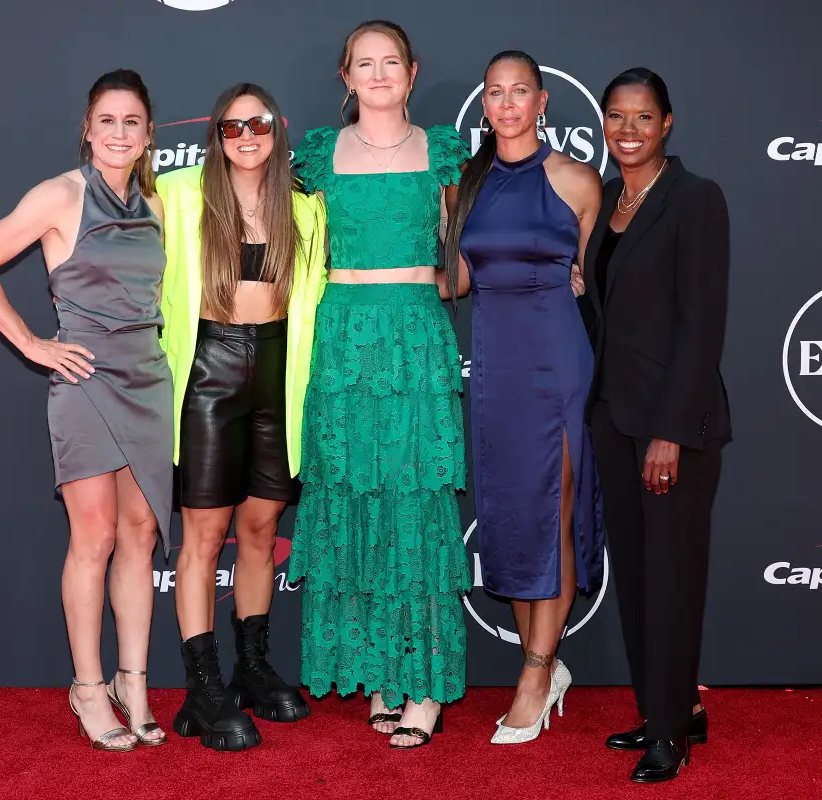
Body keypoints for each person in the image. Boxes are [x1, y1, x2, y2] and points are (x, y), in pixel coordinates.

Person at [0, 69, 171, 751]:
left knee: (141, 536)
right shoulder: (59, 195)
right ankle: (86, 686)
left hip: (149, 376)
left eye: (130, 121)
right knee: (96, 536)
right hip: (84, 379)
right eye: (106, 120)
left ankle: (132, 682)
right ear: (87, 128)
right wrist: (31, 343)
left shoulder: (157, 206)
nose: (117, 133)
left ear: (146, 134)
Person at [287, 19, 472, 750]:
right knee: (352, 502)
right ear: (345, 76)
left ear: (413, 71)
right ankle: (379, 674)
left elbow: (464, 259)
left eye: (390, 61)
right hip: (342, 340)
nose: (378, 73)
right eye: (364, 63)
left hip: (415, 338)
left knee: (415, 504)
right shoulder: (318, 156)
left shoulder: (443, 153)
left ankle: (423, 683)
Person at [156, 83, 327, 752]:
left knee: (261, 528)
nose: (247, 136)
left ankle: (252, 668)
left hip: (281, 372)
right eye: (232, 127)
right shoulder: (177, 195)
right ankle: (203, 686)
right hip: (207, 371)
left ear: (277, 130)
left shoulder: (306, 209)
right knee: (203, 536)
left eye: (258, 124)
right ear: (218, 137)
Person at [442, 50, 606, 745]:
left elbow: (589, 279)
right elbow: (452, 283)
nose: (507, 104)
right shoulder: (463, 187)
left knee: (556, 510)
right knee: (512, 514)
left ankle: (537, 672)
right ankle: (544, 663)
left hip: (560, 360)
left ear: (543, 102)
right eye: (495, 93)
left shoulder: (578, 181)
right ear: (484, 105)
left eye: (520, 92)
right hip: (498, 369)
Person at [583, 68, 731, 783]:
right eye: (617, 117)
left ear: (666, 123)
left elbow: (701, 325)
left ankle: (671, 732)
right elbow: (613, 319)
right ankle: (663, 709)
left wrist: (670, 431)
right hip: (614, 416)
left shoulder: (696, 200)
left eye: (643, 117)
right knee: (640, 579)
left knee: (671, 578)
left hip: (674, 426)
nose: (628, 130)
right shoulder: (609, 201)